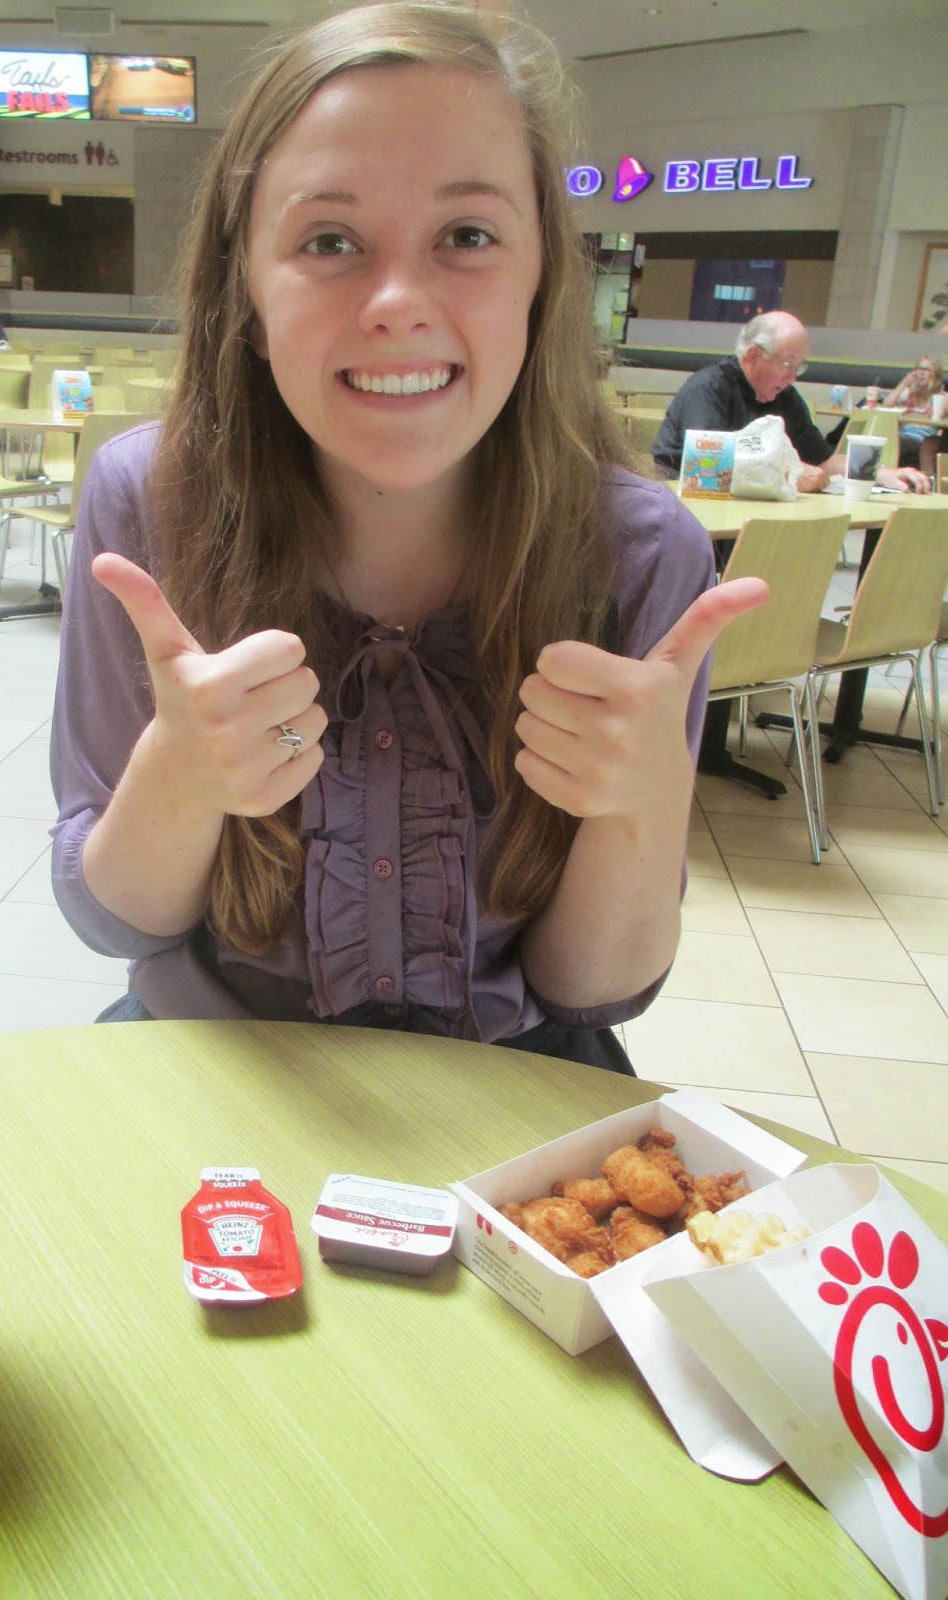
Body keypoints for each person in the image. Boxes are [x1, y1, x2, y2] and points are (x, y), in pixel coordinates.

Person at [49, 1, 765, 1073]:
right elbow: (120, 926)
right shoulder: (147, 502)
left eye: (467, 236)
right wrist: (180, 781)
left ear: (541, 279)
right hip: (216, 1071)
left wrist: (640, 810)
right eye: (329, 241)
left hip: (518, 1085)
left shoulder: (643, 552)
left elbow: (592, 992)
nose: (397, 301)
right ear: (247, 295)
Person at [651, 311, 931, 494]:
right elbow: (709, 466)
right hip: (687, 517)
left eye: (799, 367)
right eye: (787, 364)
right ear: (752, 356)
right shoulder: (708, 388)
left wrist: (880, 473)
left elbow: (823, 460)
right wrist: (787, 473)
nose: (793, 376)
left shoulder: (785, 398)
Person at [883, 355, 945, 477]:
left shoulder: (940, 397)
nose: (921, 372)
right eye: (919, 368)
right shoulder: (909, 393)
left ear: (935, 375)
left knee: (898, 443)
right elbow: (887, 404)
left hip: (924, 437)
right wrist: (904, 383)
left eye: (927, 369)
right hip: (903, 435)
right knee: (886, 438)